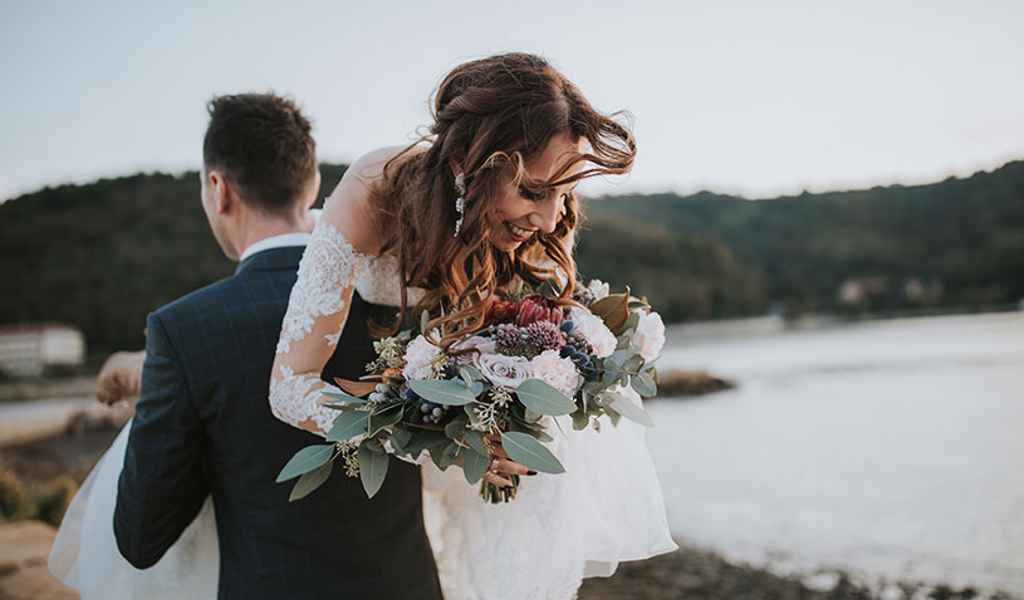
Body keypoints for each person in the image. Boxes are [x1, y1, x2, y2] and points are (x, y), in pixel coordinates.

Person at [269, 52, 677, 600]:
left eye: (563, 194)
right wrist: (445, 442)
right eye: (533, 191)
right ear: (467, 161)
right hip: (399, 428)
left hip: (486, 465)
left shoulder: (538, 235)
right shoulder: (376, 189)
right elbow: (288, 384)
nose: (551, 221)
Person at [49, 93, 445, 599]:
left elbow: (140, 537)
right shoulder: (405, 299)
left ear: (219, 190)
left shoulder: (184, 331)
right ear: (314, 185)